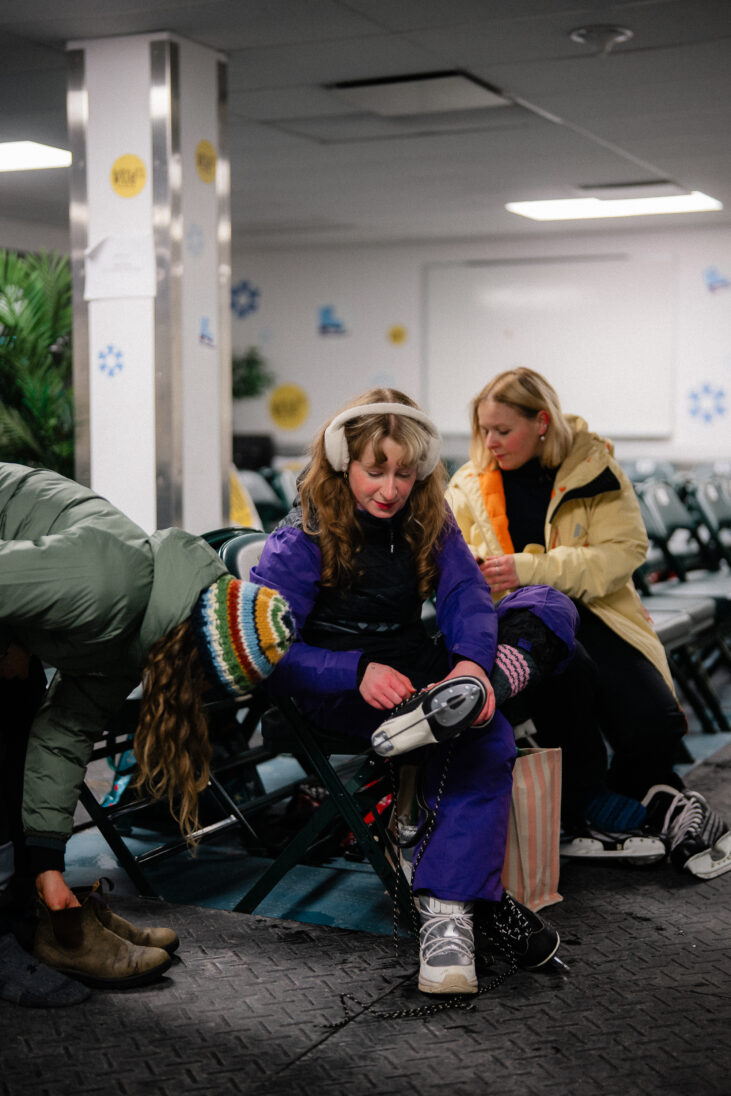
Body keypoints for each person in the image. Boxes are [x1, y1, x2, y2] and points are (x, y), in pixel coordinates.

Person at [250, 389, 579, 996]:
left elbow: (465, 597)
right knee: (486, 732)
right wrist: (353, 671)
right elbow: (266, 653)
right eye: (375, 471)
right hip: (340, 689)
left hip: (423, 674)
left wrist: (472, 668)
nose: (391, 488)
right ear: (342, 461)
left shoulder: (429, 516)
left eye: (405, 472)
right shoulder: (300, 535)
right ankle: (451, 916)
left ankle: (472, 694)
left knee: (549, 603)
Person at [0, 462, 293, 1004]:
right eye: (202, 680)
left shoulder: (133, 640)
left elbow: (63, 737)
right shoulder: (105, 581)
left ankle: (36, 912)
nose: (194, 695)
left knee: (32, 724)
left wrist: (48, 867)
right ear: (189, 648)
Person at [446, 367, 731, 880]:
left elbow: (625, 552)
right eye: (483, 429)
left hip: (597, 610)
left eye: (502, 430)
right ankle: (640, 806)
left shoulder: (593, 467)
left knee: (657, 723)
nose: (490, 441)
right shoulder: (467, 484)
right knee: (568, 689)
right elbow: (450, 560)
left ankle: (631, 802)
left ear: (541, 422)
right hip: (522, 627)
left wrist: (530, 568)